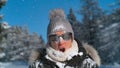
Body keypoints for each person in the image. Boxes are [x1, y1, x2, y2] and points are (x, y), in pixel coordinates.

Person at [29, 8, 101, 68]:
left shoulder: (88, 64)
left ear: (72, 38)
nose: (61, 42)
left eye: (66, 36)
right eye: (54, 38)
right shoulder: (38, 66)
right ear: (49, 41)